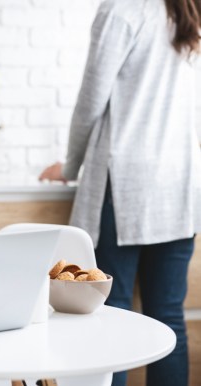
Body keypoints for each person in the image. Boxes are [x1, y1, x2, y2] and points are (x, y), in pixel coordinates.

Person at [38, 1, 201, 385]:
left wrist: (71, 165)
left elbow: (91, 100)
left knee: (114, 316)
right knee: (168, 318)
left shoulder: (123, 9)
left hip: (126, 184)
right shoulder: (187, 9)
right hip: (180, 186)